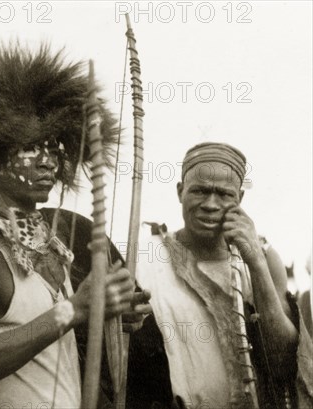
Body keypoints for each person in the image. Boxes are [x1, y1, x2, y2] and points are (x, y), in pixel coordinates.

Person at [0, 43, 150, 407]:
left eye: (55, 147)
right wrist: (74, 309)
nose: (49, 162)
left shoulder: (52, 238)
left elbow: (46, 334)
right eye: (32, 147)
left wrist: (107, 315)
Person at [127, 142, 313, 408]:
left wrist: (256, 264)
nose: (211, 204)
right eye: (200, 191)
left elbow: (284, 362)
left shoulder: (262, 257)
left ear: (240, 199)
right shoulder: (145, 257)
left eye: (224, 195)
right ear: (180, 192)